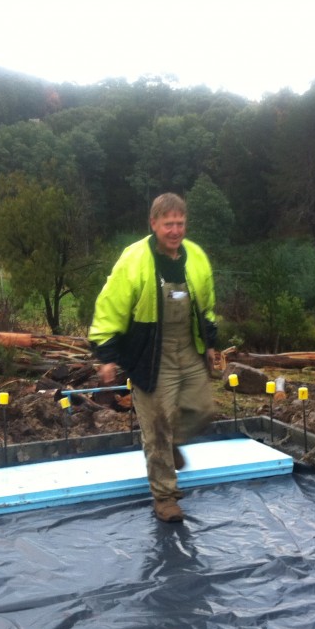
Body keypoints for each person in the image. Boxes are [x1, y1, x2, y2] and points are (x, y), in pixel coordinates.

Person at [89, 193, 219, 523]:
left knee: (204, 409)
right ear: (154, 224)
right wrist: (106, 355)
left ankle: (174, 442)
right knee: (157, 426)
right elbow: (109, 307)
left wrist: (213, 342)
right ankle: (165, 497)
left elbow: (207, 306)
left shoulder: (197, 258)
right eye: (168, 224)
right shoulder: (134, 259)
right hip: (152, 354)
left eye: (180, 223)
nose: (175, 230)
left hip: (187, 348)